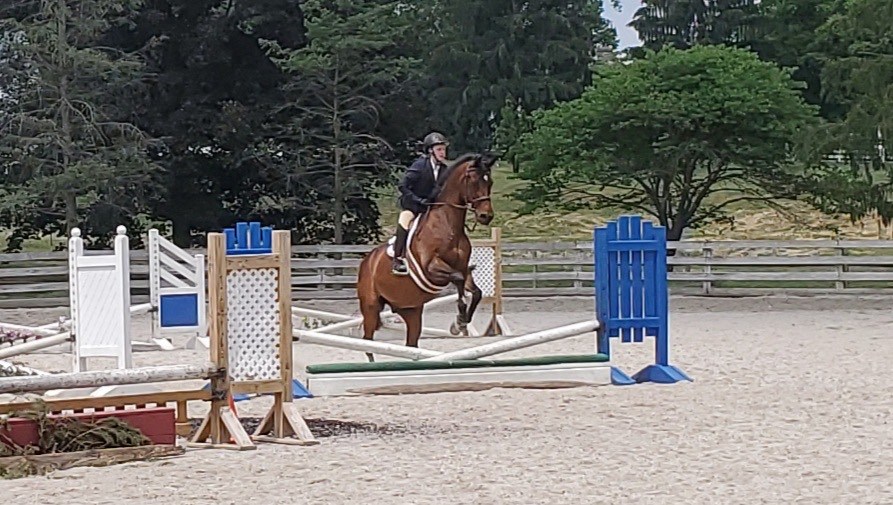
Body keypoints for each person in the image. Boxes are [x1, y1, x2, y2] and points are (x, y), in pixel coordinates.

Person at [392, 131, 450, 275]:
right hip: (413, 206)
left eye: (444, 149)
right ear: (430, 151)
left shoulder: (444, 170)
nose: (443, 153)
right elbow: (403, 186)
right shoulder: (420, 166)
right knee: (404, 223)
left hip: (431, 208)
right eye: (439, 150)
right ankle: (397, 259)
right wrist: (418, 200)